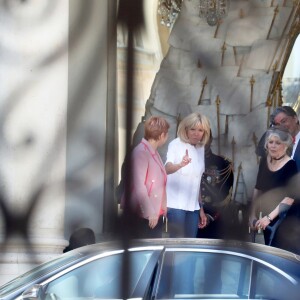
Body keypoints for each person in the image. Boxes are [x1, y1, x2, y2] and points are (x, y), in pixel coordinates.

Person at [121, 116, 170, 238]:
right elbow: (139, 186)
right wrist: (150, 212)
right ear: (162, 135)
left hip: (153, 213)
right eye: (167, 133)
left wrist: (163, 207)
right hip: (142, 215)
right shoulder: (141, 152)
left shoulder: (153, 151)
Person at [249, 126, 297, 249]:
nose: (273, 146)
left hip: (283, 219)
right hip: (266, 218)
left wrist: (269, 218)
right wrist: (252, 214)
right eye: (270, 142)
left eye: (277, 143)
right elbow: (258, 188)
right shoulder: (264, 161)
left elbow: (289, 198)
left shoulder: (291, 165)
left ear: (285, 146)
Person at [165, 112, 210, 237]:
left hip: (194, 207)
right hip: (176, 206)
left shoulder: (200, 147)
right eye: (193, 129)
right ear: (186, 129)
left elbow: (197, 181)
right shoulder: (175, 144)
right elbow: (167, 169)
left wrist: (201, 209)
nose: (196, 133)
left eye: (200, 130)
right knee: (177, 246)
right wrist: (180, 164)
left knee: (191, 245)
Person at [197, 131, 235, 239]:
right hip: (189, 215)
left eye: (205, 137)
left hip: (212, 217)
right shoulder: (184, 161)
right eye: (199, 138)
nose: (202, 141)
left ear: (211, 139)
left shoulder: (223, 164)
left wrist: (210, 216)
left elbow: (225, 196)